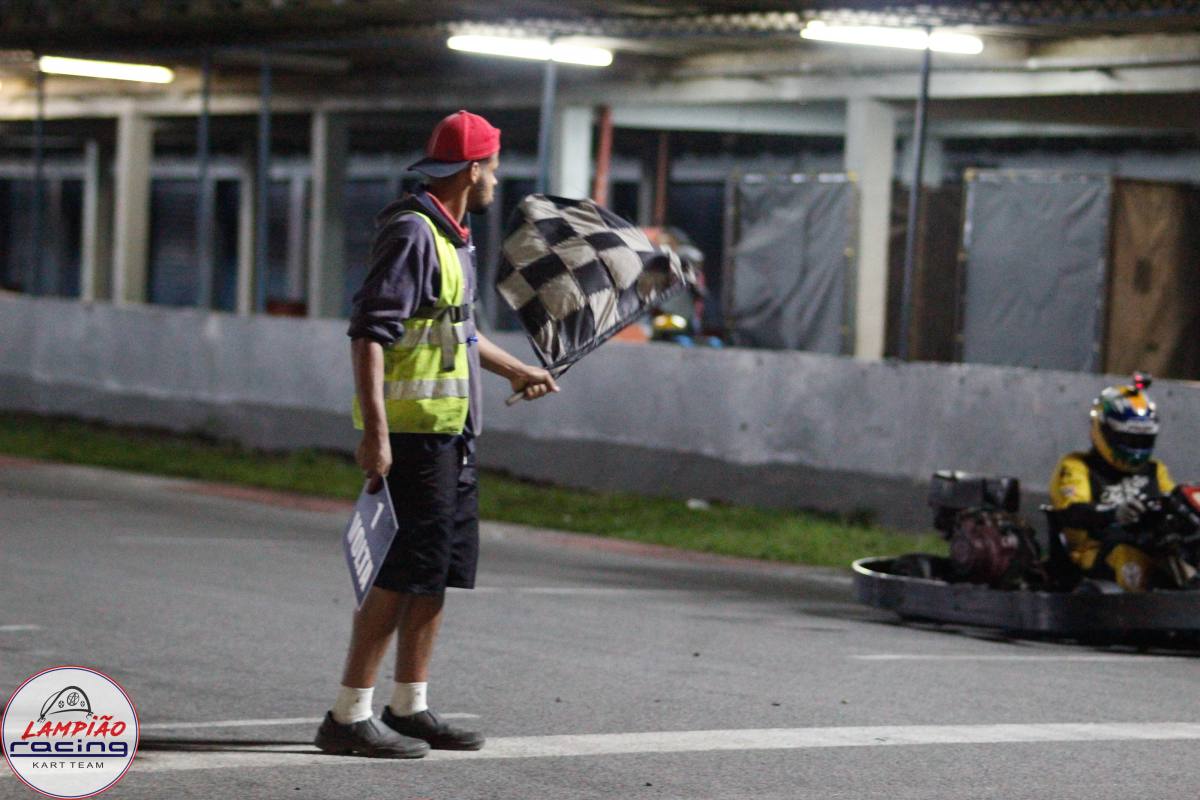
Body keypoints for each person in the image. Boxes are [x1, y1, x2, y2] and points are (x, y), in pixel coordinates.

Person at [315, 110, 559, 758]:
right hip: (413, 438)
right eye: (493, 166)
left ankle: (409, 705)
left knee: (435, 574)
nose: (496, 179)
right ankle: (347, 714)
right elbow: (370, 332)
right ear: (473, 168)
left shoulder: (455, 238)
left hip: (451, 436)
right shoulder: (414, 234)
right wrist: (376, 434)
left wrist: (520, 368)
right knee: (396, 576)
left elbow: (459, 332)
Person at [1049, 373, 1175, 592]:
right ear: (1103, 430)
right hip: (1094, 552)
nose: (1135, 447)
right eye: (1128, 439)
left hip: (1149, 544)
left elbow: (1173, 501)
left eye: (1142, 440)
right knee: (1131, 560)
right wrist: (1114, 513)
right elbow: (1071, 511)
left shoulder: (1156, 470)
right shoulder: (1078, 466)